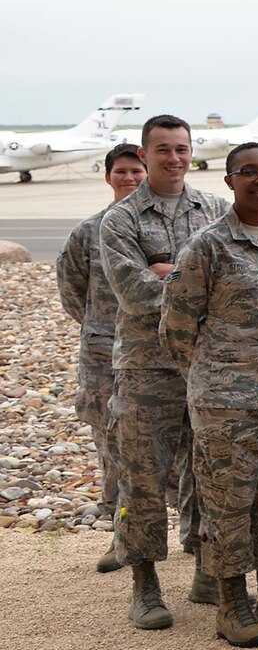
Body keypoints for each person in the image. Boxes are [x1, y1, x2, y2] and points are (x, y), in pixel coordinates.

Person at [159, 143, 258, 647]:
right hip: (226, 401)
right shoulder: (206, 246)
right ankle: (231, 604)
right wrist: (214, 376)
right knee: (229, 503)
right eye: (249, 172)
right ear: (229, 180)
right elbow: (176, 327)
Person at [100, 114, 229, 628]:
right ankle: (145, 582)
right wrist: (192, 284)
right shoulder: (122, 220)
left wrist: (169, 273)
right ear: (146, 154)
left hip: (205, 365)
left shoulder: (216, 209)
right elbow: (135, 293)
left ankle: (206, 566)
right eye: (163, 150)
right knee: (143, 477)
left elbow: (234, 284)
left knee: (209, 472)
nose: (174, 159)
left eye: (182, 149)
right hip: (146, 370)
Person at [57, 143, 145, 575]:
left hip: (153, 355)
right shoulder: (87, 233)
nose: (129, 179)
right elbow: (73, 292)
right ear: (108, 176)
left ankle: (189, 533)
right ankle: (120, 535)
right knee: (111, 450)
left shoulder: (158, 229)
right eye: (122, 172)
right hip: (103, 357)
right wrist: (102, 328)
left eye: (136, 172)